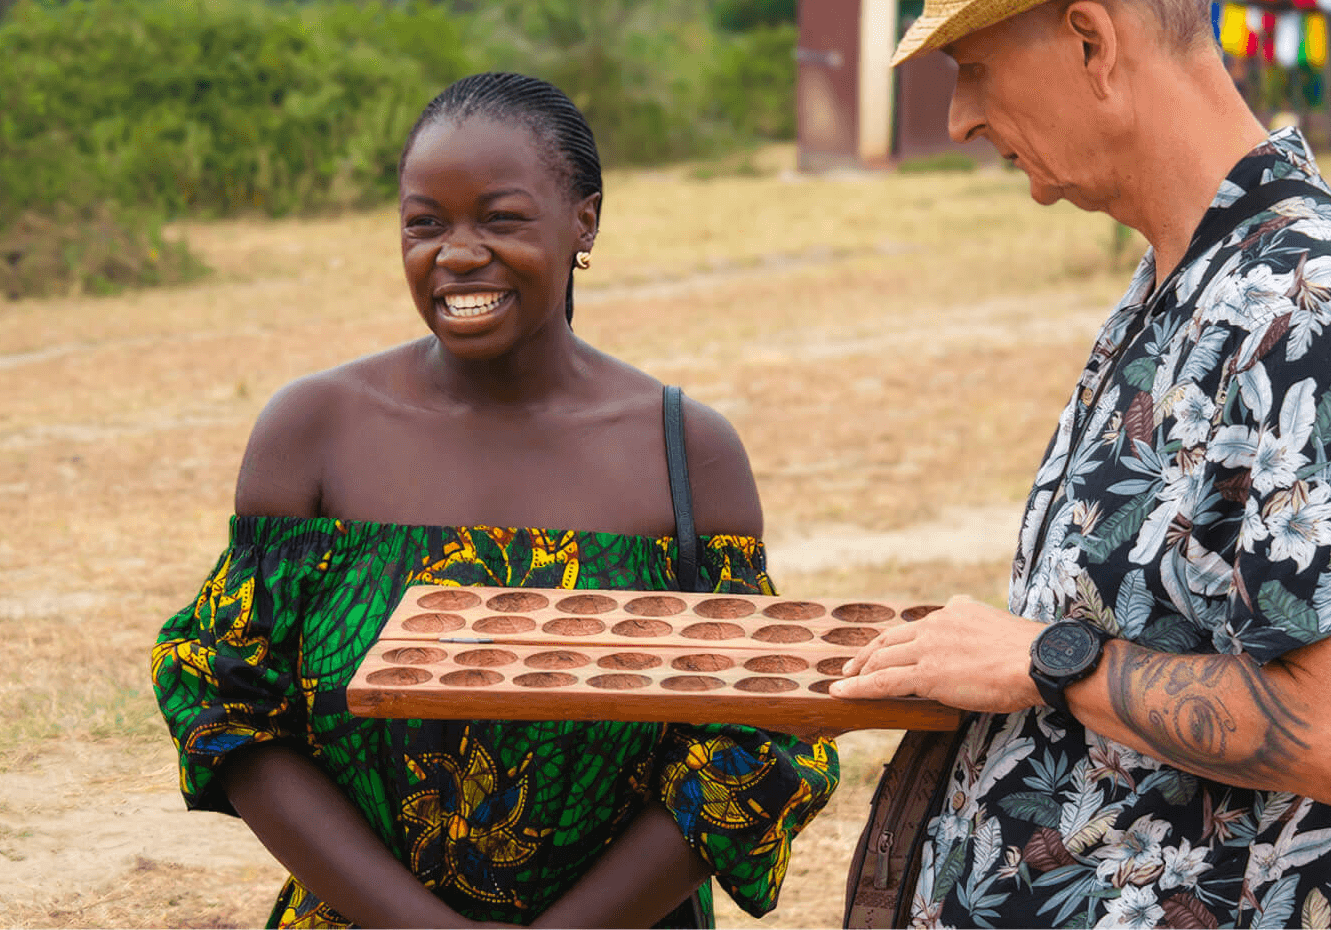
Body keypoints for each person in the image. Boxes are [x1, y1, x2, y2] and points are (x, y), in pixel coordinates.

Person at [833, 0, 1331, 928]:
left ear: (1088, 41)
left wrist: (1045, 659)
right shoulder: (1187, 277)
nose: (962, 117)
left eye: (970, 66)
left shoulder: (1296, 305)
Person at [153, 72, 838, 929]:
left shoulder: (686, 454)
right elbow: (226, 701)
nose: (457, 253)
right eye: (424, 223)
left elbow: (762, 734)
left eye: (500, 218)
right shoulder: (315, 433)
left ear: (584, 220)